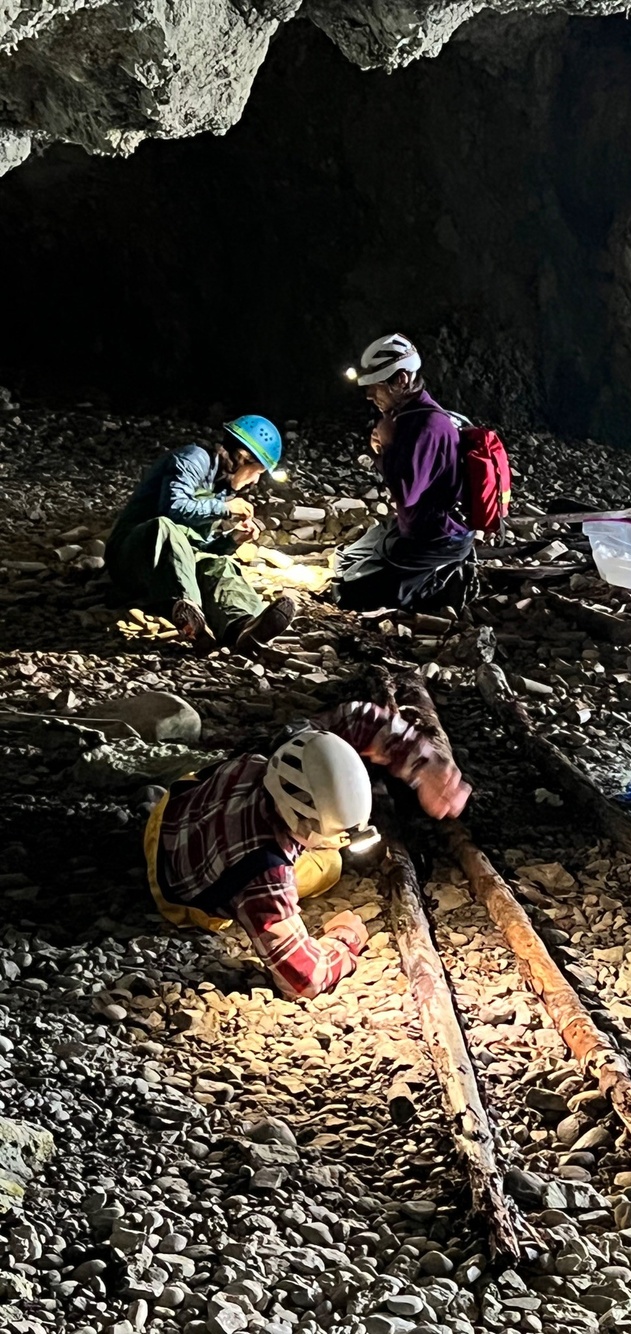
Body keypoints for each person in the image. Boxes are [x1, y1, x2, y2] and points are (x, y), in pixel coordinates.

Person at [143, 702, 470, 999]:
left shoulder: (294, 748)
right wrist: (344, 939)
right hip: (173, 886)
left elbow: (355, 719)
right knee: (330, 866)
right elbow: (304, 979)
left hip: (175, 807)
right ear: (299, 822)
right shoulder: (262, 874)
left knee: (326, 847)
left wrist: (425, 765)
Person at [106, 415, 295, 654]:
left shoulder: (221, 490)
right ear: (243, 458)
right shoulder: (193, 459)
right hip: (132, 557)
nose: (255, 481)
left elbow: (197, 550)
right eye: (257, 472)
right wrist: (224, 509)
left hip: (170, 569)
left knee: (218, 564)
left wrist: (231, 540)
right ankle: (188, 612)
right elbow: (172, 508)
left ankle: (244, 626)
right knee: (163, 527)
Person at [339, 334, 475, 611]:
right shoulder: (409, 416)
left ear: (400, 380)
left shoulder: (428, 426)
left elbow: (406, 493)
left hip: (438, 539)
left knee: (350, 593)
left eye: (376, 386)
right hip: (416, 529)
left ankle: (448, 580)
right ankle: (414, 570)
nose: (369, 395)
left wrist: (386, 449)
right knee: (346, 559)